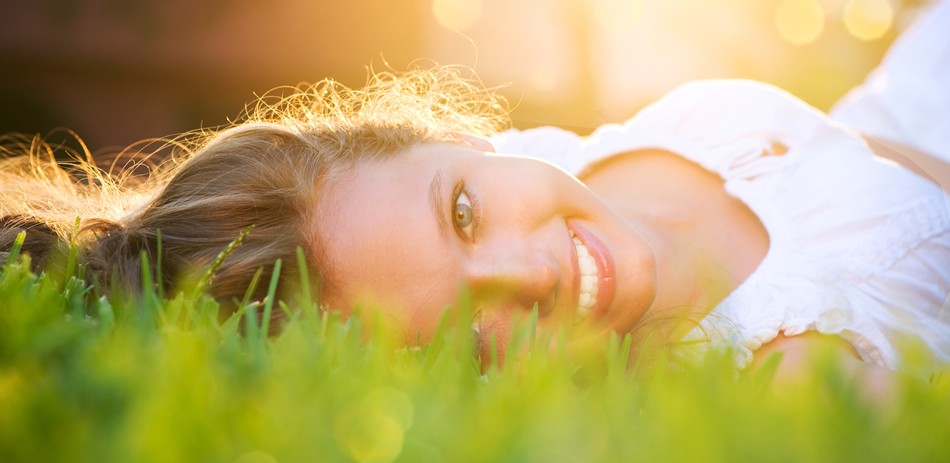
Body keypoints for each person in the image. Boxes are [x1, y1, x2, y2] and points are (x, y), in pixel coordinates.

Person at [2, 2, 948, 383]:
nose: (529, 266)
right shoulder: (781, 375)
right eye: (466, 328)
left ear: (454, 138)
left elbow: (869, 152)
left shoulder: (546, 153)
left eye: (462, 213)